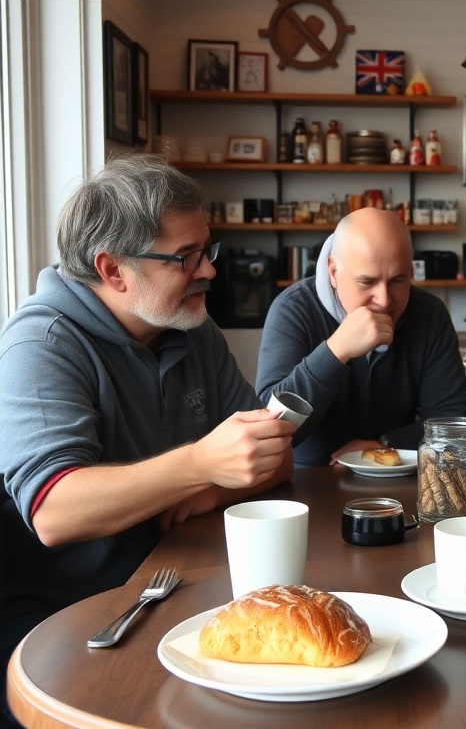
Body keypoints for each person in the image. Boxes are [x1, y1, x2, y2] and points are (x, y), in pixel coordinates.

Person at [0, 154, 295, 723]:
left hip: (173, 587)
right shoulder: (41, 343)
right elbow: (54, 512)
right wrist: (201, 465)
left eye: (206, 251)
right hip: (66, 617)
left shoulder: (191, 326)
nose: (209, 271)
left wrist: (216, 486)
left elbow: (272, 452)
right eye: (185, 258)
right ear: (113, 270)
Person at [256, 207, 466, 467]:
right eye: (367, 282)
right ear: (333, 272)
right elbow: (270, 432)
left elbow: (456, 428)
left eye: (398, 280)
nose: (384, 300)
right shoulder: (293, 310)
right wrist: (336, 351)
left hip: (400, 479)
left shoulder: (429, 314)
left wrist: (385, 443)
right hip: (309, 482)